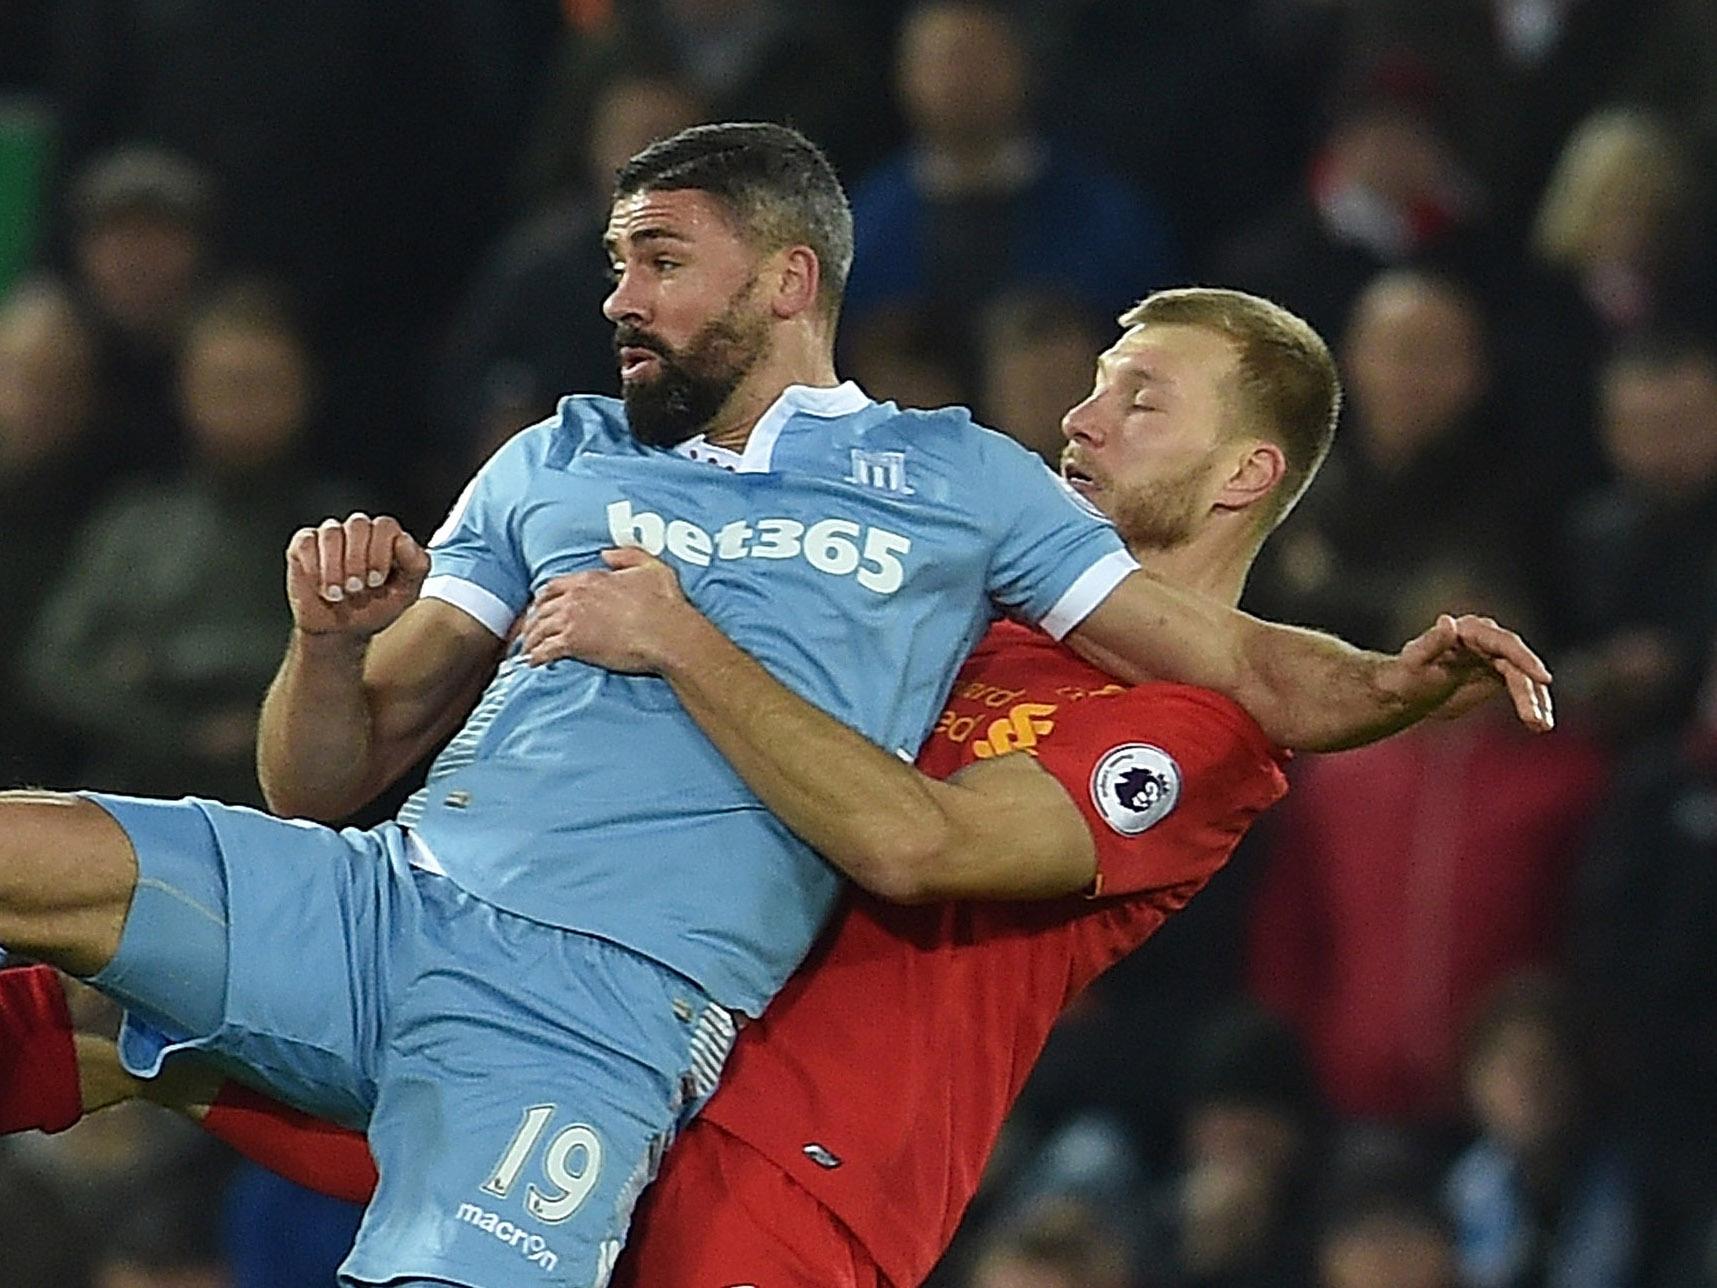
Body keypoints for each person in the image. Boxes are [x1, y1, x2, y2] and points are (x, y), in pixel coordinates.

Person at [0, 123, 1550, 1287]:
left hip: (787, 1156)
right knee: (96, 1010)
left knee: (141, 1033)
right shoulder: (922, 577)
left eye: (1136, 398)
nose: (1078, 412)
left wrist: (1395, 686)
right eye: (1088, 377)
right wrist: (333, 650)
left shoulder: (1175, 729)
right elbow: (329, 770)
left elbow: (924, 844)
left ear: (1245, 474)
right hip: (476, 954)